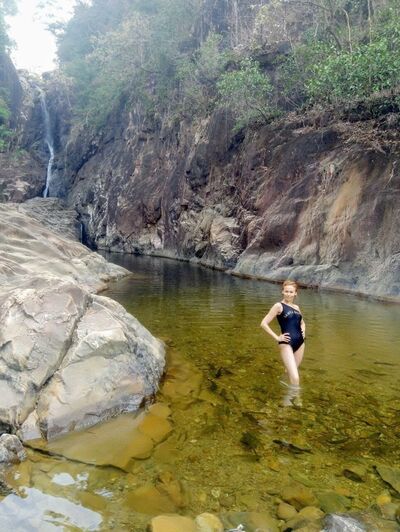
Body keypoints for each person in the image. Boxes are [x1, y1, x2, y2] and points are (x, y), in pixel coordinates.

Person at [260, 280, 306, 388]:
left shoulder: (296, 308)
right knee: (296, 378)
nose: (288, 294)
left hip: (300, 343)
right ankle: (294, 396)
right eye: (286, 291)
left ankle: (283, 386)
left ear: (295, 293)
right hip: (286, 343)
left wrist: (303, 332)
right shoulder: (278, 306)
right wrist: (277, 337)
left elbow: (303, 323)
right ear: (282, 292)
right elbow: (263, 323)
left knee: (289, 371)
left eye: (291, 292)